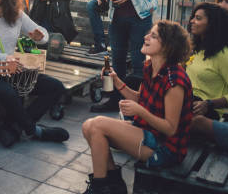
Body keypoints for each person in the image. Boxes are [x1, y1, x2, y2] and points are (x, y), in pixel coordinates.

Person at [82, 20, 193, 194]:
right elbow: (141, 98)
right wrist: (117, 82)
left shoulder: (175, 81)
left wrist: (139, 111)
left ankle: (102, 187)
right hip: (148, 132)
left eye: (153, 36)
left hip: (166, 149)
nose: (146, 37)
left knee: (97, 126)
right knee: (88, 126)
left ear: (167, 46)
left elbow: (171, 129)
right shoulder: (151, 67)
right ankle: (111, 184)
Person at [0, 0, 69, 147]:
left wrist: (40, 37)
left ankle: (15, 128)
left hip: (12, 69)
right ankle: (34, 130)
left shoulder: (16, 15)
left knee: (56, 87)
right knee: (10, 93)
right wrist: (5, 58)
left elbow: (43, 35)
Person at [186, 2, 228, 121]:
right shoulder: (197, 49)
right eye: (193, 17)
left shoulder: (224, 54)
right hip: (186, 102)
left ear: (212, 24)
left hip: (205, 113)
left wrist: (209, 104)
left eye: (198, 18)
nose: (192, 21)